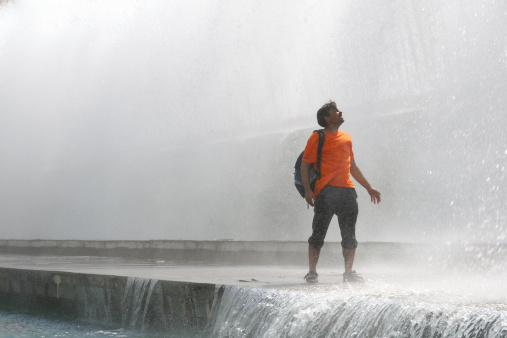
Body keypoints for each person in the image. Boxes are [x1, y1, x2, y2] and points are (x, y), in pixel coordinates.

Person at [300, 101, 381, 283]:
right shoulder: (316, 137)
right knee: (318, 233)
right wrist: (307, 190)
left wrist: (369, 188)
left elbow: (352, 166)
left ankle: (348, 273)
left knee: (349, 235)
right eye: (335, 111)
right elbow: (305, 165)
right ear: (327, 118)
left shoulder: (347, 138)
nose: (340, 112)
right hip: (325, 192)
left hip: (347, 192)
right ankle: (312, 272)